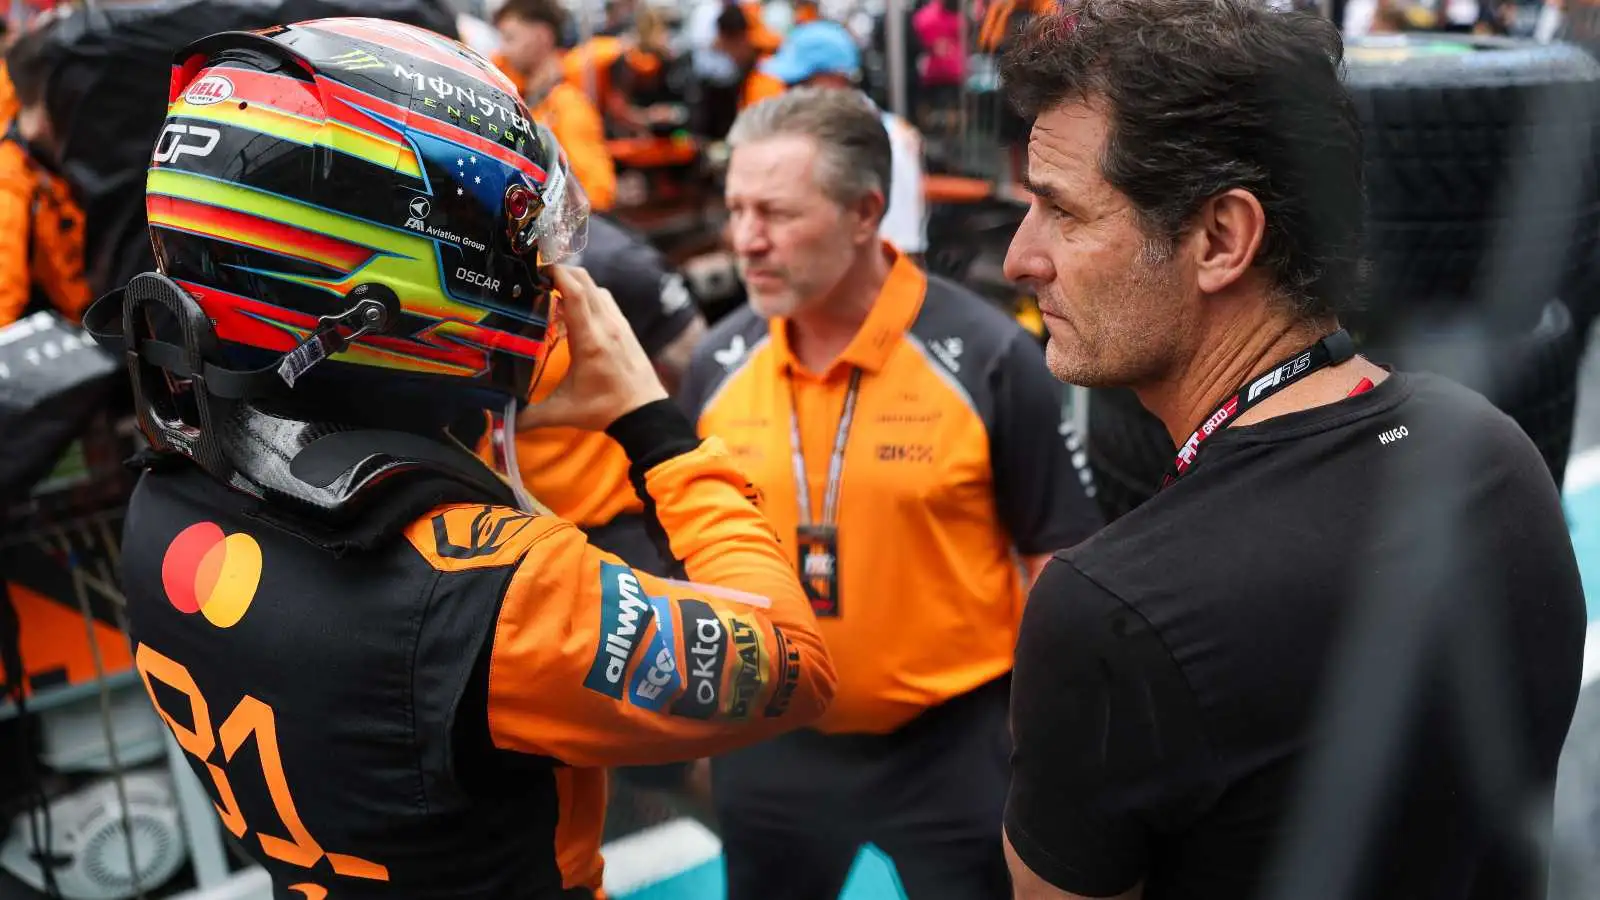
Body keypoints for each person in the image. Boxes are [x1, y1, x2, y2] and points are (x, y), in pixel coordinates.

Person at [86, 18, 833, 898]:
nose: (538, 274)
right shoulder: (501, 593)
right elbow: (791, 663)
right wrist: (654, 427)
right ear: (389, 276)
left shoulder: (167, 489)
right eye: (511, 243)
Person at [998, 2, 1587, 899]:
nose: (1019, 258)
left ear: (1220, 239)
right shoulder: (1496, 455)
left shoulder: (1111, 612)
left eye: (1061, 211)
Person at [680, 87, 1102, 900]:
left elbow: (1058, 555)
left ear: (865, 213)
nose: (746, 240)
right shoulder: (720, 361)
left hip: (951, 748)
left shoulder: (985, 355)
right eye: (736, 210)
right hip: (770, 741)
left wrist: (1044, 736)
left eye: (776, 213)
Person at [513, 213, 708, 567]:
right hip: (511, 528)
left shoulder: (611, 262)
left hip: (615, 527)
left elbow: (700, 368)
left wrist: (667, 454)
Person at [759, 20, 928, 258]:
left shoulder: (883, 141)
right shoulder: (822, 135)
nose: (789, 94)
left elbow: (900, 250)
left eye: (798, 83)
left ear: (835, 79)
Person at [494, 0, 618, 210]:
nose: (503, 50)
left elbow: (597, 194)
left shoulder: (568, 104)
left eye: (510, 38)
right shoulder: (524, 98)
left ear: (542, 36)